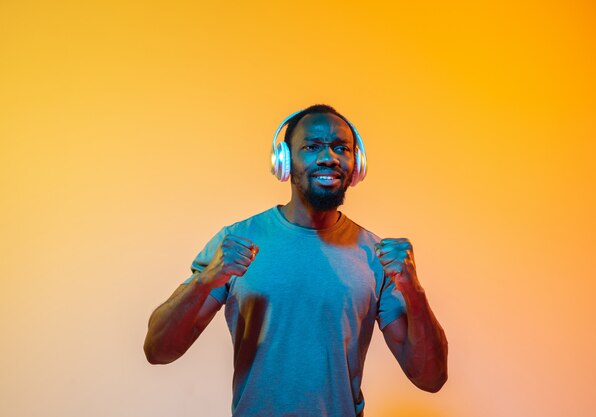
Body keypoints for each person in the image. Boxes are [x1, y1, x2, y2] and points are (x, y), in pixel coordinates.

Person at [143, 104, 448, 417]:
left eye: (341, 148)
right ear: (284, 161)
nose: (329, 157)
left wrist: (414, 290)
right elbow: (159, 350)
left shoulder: (375, 255)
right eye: (311, 147)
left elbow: (431, 378)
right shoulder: (237, 240)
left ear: (356, 165)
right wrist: (206, 279)